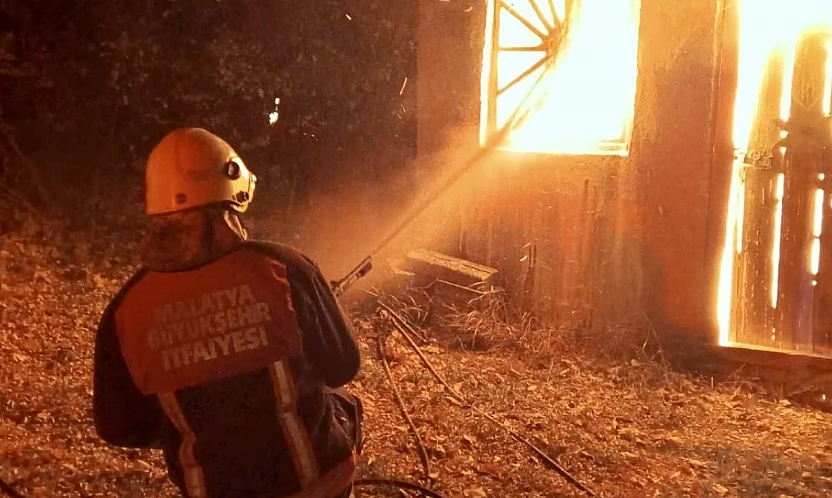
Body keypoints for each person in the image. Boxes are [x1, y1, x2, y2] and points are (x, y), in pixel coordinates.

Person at [92, 127, 364, 498]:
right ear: (231, 201)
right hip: (317, 488)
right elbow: (343, 365)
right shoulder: (286, 270)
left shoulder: (126, 310)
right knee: (347, 406)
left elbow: (118, 425)